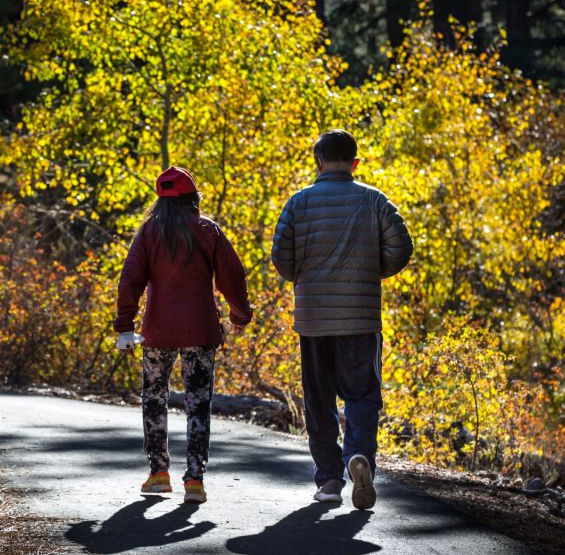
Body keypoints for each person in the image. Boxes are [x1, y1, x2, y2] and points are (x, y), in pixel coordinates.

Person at [270, 129, 413, 511]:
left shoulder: (298, 204)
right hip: (361, 318)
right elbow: (402, 247)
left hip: (314, 318)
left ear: (318, 162)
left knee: (319, 399)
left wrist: (303, 277)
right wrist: (372, 272)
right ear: (355, 163)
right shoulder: (374, 201)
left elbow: (281, 256)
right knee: (363, 393)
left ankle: (330, 480)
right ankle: (359, 455)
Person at [114, 166, 253, 505]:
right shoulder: (208, 230)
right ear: (193, 199)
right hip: (200, 330)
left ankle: (159, 474)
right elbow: (231, 277)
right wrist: (240, 313)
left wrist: (125, 326)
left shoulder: (149, 233)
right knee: (197, 404)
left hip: (158, 332)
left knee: (154, 400)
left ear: (160, 201)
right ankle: (195, 480)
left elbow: (130, 279)